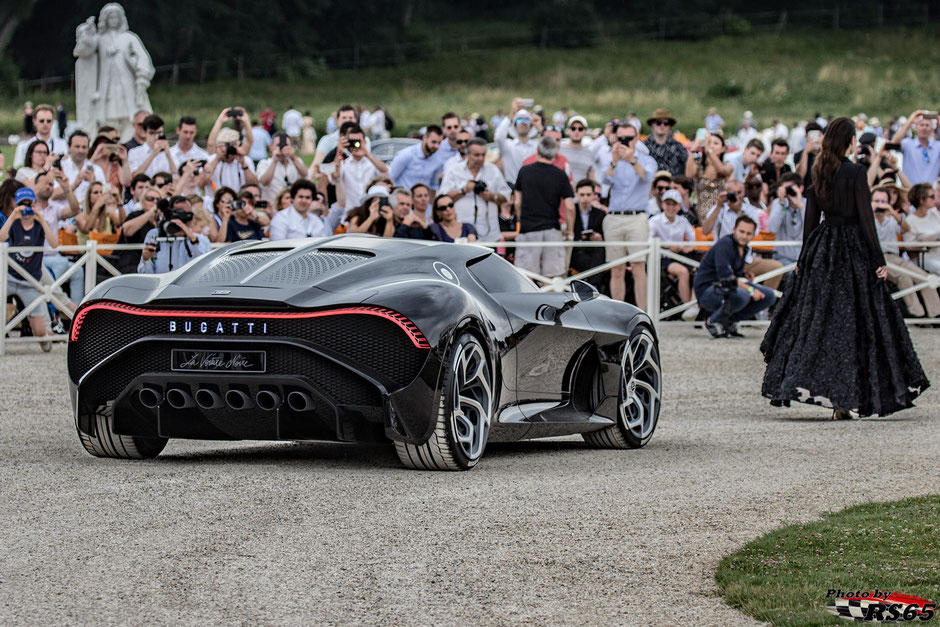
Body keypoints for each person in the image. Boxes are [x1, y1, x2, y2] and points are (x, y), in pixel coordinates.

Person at [761, 117, 929, 419]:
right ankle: (851, 396)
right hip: (851, 248)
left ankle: (836, 396)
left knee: (822, 322)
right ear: (849, 141)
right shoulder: (854, 172)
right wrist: (878, 260)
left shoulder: (818, 170)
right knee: (858, 321)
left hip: (823, 248)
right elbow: (866, 220)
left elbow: (811, 220)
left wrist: (804, 260)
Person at [693, 215, 776, 338]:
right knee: (743, 295)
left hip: (725, 288)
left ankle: (729, 321)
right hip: (707, 291)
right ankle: (713, 321)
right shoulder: (725, 244)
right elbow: (725, 277)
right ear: (734, 229)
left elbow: (732, 274)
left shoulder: (744, 248)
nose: (744, 236)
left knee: (769, 296)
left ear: (753, 235)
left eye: (748, 233)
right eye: (741, 231)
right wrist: (751, 290)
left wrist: (744, 275)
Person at [602, 123, 657, 309]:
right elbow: (604, 178)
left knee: (638, 267)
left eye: (629, 138)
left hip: (637, 217)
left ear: (637, 138)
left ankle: (643, 313)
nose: (625, 141)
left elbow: (646, 176)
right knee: (616, 269)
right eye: (621, 138)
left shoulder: (647, 159)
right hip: (614, 217)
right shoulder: (611, 158)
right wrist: (615, 160)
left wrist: (632, 159)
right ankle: (619, 312)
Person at [1, 187, 58, 350]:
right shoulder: (13, 223)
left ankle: (45, 338)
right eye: (22, 204)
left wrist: (41, 219)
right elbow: (0, 238)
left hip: (31, 280)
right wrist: (13, 216)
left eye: (29, 204)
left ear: (34, 204)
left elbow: (54, 244)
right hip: (10, 277)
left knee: (40, 332)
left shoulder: (40, 224)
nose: (26, 208)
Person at [872, 187, 940, 319]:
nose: (880, 204)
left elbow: (906, 228)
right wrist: (871, 211)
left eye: (883, 201)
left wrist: (891, 211)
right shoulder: (867, 219)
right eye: (877, 201)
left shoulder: (892, 218)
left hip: (895, 257)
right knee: (904, 278)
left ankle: (936, 313)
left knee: (925, 277)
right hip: (879, 258)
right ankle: (917, 314)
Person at [513, 137, 574, 278]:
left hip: (528, 229)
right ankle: (549, 302)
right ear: (555, 153)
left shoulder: (524, 171)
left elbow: (517, 202)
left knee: (525, 278)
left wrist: (520, 220)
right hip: (552, 230)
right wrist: (569, 230)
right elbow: (570, 207)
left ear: (538, 150)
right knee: (552, 280)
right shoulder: (560, 175)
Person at [439, 137, 511, 241]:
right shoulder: (453, 171)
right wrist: (463, 190)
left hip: (489, 234)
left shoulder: (493, 170)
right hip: (462, 234)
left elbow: (506, 197)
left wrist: (492, 196)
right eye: (476, 155)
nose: (480, 158)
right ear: (467, 154)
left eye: (483, 155)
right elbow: (442, 199)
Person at [649, 189, 699, 320]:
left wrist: (687, 247)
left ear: (679, 206)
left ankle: (694, 305)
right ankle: (688, 307)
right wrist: (667, 245)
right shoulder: (655, 220)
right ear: (663, 204)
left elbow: (693, 239)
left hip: (680, 255)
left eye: (674, 204)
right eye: (668, 203)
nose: (670, 207)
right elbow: (648, 240)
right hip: (662, 257)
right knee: (683, 272)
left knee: (699, 270)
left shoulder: (682, 221)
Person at [138, 196, 210, 273]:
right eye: (179, 212)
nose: (183, 217)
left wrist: (192, 239)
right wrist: (146, 260)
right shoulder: (155, 235)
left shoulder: (200, 240)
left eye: (187, 214)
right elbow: (145, 273)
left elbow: (205, 269)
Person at [268, 179, 344, 240]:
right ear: (293, 198)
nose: (304, 201)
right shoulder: (281, 218)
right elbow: (278, 248)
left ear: (312, 199)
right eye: (300, 197)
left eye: (307, 197)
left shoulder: (316, 221)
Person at [569, 178, 607, 290]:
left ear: (593, 195)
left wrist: (599, 237)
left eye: (588, 194)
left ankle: (592, 286)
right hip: (576, 250)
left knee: (599, 253)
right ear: (576, 194)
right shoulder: (571, 210)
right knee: (592, 260)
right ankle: (593, 286)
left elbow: (604, 235)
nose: (585, 198)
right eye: (582, 195)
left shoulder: (600, 213)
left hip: (593, 250)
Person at [686, 132, 733, 223]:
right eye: (709, 142)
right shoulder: (699, 165)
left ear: (723, 148)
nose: (711, 146)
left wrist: (709, 151)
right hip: (700, 216)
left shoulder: (728, 165)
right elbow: (688, 174)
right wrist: (694, 147)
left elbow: (722, 170)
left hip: (720, 216)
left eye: (715, 143)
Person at [494, 98, 542, 184]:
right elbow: (498, 137)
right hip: (512, 189)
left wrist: (540, 127)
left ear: (531, 126)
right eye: (519, 120)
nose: (523, 123)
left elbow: (550, 146)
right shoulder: (508, 145)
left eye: (527, 120)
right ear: (515, 126)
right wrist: (511, 114)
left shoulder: (536, 146)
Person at [256, 132, 309, 203]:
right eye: (278, 145)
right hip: (272, 205)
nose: (282, 148)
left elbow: (305, 174)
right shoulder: (265, 163)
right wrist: (275, 161)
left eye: (286, 145)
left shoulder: (296, 161)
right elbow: (264, 183)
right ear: (271, 147)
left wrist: (293, 157)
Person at [891, 109, 940, 185]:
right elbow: (894, 142)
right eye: (921, 125)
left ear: (932, 128)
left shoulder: (937, 146)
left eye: (927, 125)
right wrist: (910, 120)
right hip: (910, 191)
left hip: (930, 193)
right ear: (915, 128)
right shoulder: (907, 143)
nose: (924, 128)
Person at [766, 172, 806, 266]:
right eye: (785, 189)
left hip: (804, 258)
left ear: (801, 188)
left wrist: (800, 206)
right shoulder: (778, 204)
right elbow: (772, 229)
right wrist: (781, 203)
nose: (788, 191)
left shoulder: (808, 205)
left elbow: (814, 229)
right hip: (782, 259)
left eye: (790, 188)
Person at [388, 125, 444, 191]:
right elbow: (391, 178)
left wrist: (430, 201)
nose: (436, 146)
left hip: (424, 200)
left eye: (439, 143)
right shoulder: (406, 154)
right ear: (424, 138)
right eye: (433, 142)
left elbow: (433, 186)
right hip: (404, 198)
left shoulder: (438, 160)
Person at [13, 104, 67, 168]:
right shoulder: (25, 146)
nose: (45, 124)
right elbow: (18, 169)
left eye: (48, 121)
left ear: (53, 122)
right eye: (41, 121)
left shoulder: (63, 145)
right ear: (34, 121)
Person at [904, 183, 940, 275]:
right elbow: (910, 251)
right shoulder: (910, 221)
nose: (934, 198)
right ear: (921, 200)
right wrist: (925, 244)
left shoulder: (935, 214)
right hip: (922, 259)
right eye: (932, 196)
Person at [128, 114, 175, 178]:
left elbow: (176, 176)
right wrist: (153, 154)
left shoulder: (171, 151)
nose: (156, 137)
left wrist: (168, 155)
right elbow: (135, 177)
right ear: (145, 133)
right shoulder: (134, 152)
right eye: (152, 133)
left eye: (159, 133)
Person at [643, 109, 687, 177]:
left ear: (669, 125)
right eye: (658, 123)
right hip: (649, 185)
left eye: (666, 123)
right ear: (653, 124)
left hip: (672, 185)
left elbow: (688, 169)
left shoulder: (678, 147)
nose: (662, 125)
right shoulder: (644, 146)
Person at [559, 115, 594, 183]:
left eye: (580, 129)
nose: (576, 131)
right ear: (569, 130)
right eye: (573, 128)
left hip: (581, 192)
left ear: (585, 131)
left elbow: (591, 177)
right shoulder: (560, 149)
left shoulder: (589, 153)